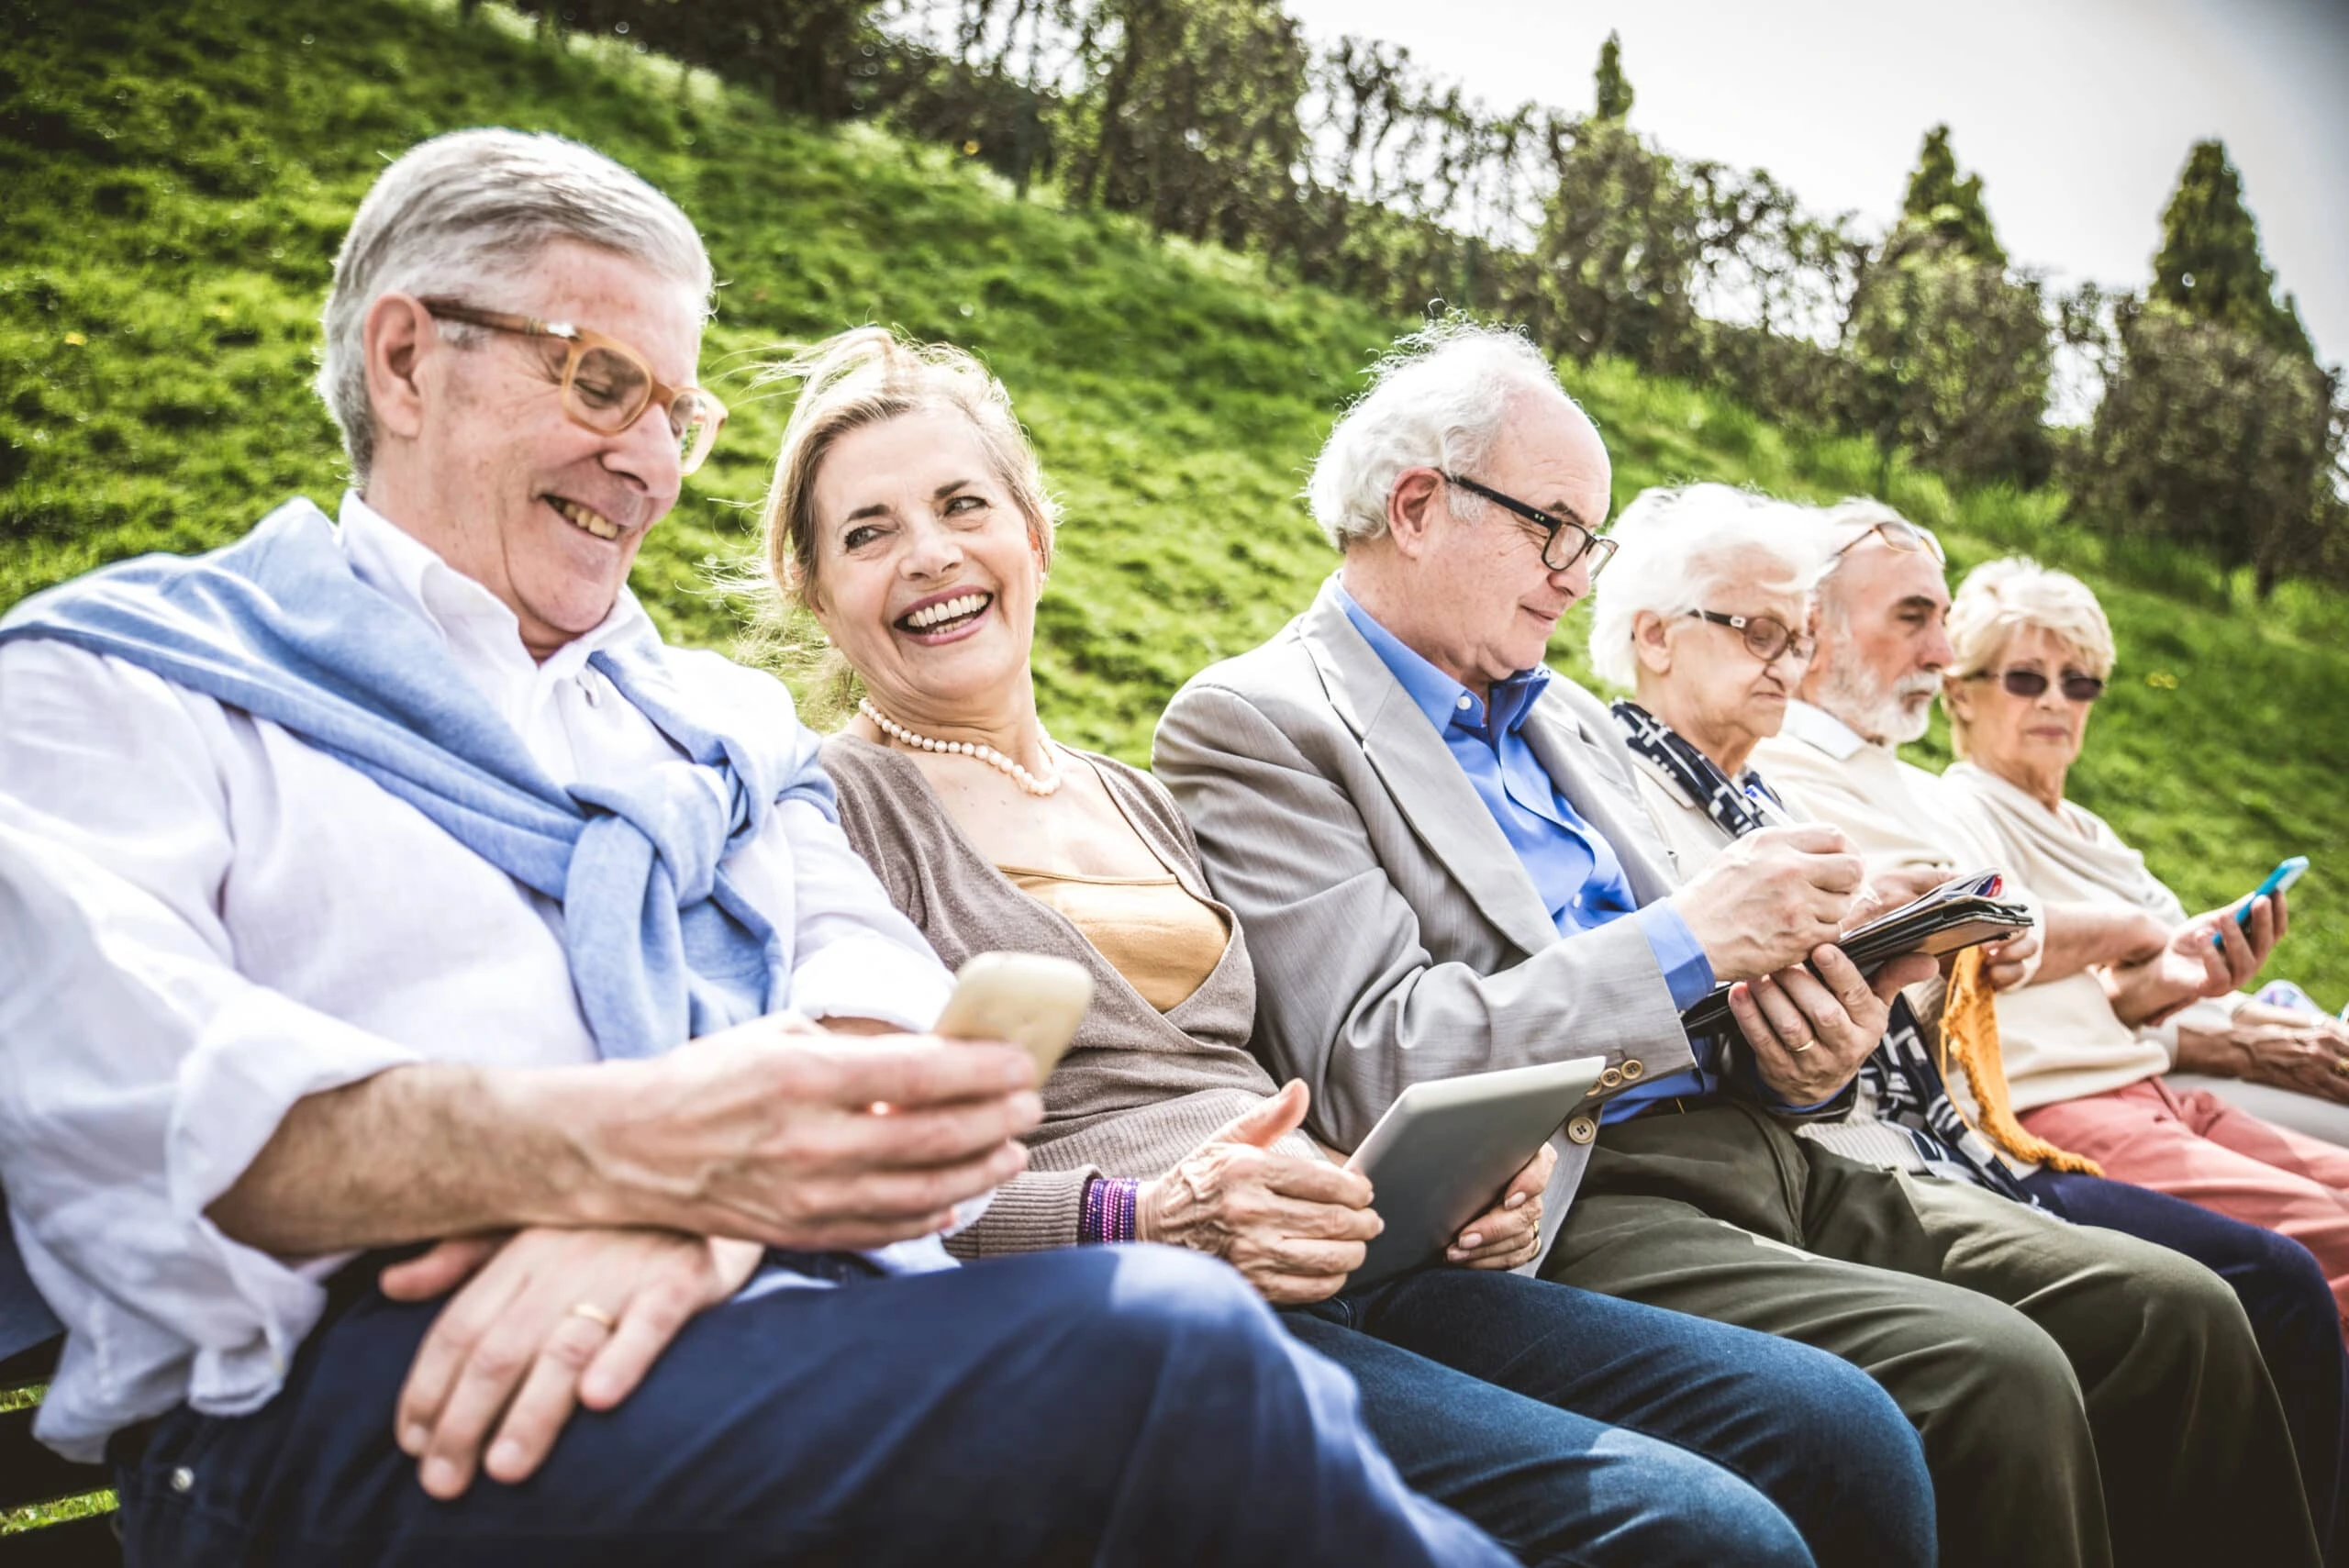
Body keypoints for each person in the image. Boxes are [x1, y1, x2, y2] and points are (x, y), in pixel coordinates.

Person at [0, 128, 1512, 1568]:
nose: (646, 459)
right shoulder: (112, 682)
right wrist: (643, 1161)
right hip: (374, 1392)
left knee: (1222, 1382)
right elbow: (140, 1107)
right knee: (1170, 1355)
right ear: (405, 358)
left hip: (760, 1310)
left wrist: (699, 1215)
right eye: (603, 382)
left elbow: (879, 997)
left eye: (679, 412)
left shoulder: (710, 723)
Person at [756, 326, 1935, 1568]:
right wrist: (1142, 1213)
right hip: (1143, 1294)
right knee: (1697, 1533)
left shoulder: (1135, 796)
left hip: (1347, 1259)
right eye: (868, 533)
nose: (931, 555)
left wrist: (1461, 1183)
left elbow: (1304, 1068)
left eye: (961, 505)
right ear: (818, 590)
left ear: (1033, 533)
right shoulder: (834, 813)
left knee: (1842, 1431)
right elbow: (851, 1195)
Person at [1154, 317, 2321, 1568]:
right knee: (1996, 1374)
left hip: (1776, 1145)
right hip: (1578, 1190)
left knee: (2180, 1311)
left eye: (1589, 540)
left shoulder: (1562, 721)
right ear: (1422, 505)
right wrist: (1692, 937)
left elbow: (1727, 995)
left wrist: (1818, 1031)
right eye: (1555, 527)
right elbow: (1377, 1055)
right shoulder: (1264, 723)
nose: (1576, 571)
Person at [1592, 482, 2349, 1562]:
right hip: (1867, 1142)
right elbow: (1650, 1003)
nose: (1785, 656)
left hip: (1915, 1132)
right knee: (2135, 1323)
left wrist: (1915, 952)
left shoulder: (1767, 791)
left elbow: (1833, 1040)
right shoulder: (1616, 778)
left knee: (2190, 1304)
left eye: (1796, 632)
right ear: (1653, 638)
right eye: (1759, 628)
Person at [1932, 557, 2349, 1318]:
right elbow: (1991, 946)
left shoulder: (2095, 834)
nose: (2057, 700)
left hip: (2151, 1086)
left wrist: (2187, 978)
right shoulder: (1957, 810)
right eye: (2026, 679)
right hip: (2067, 1107)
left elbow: (2117, 999)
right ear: (1959, 690)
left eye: (2079, 681)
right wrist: (2142, 936)